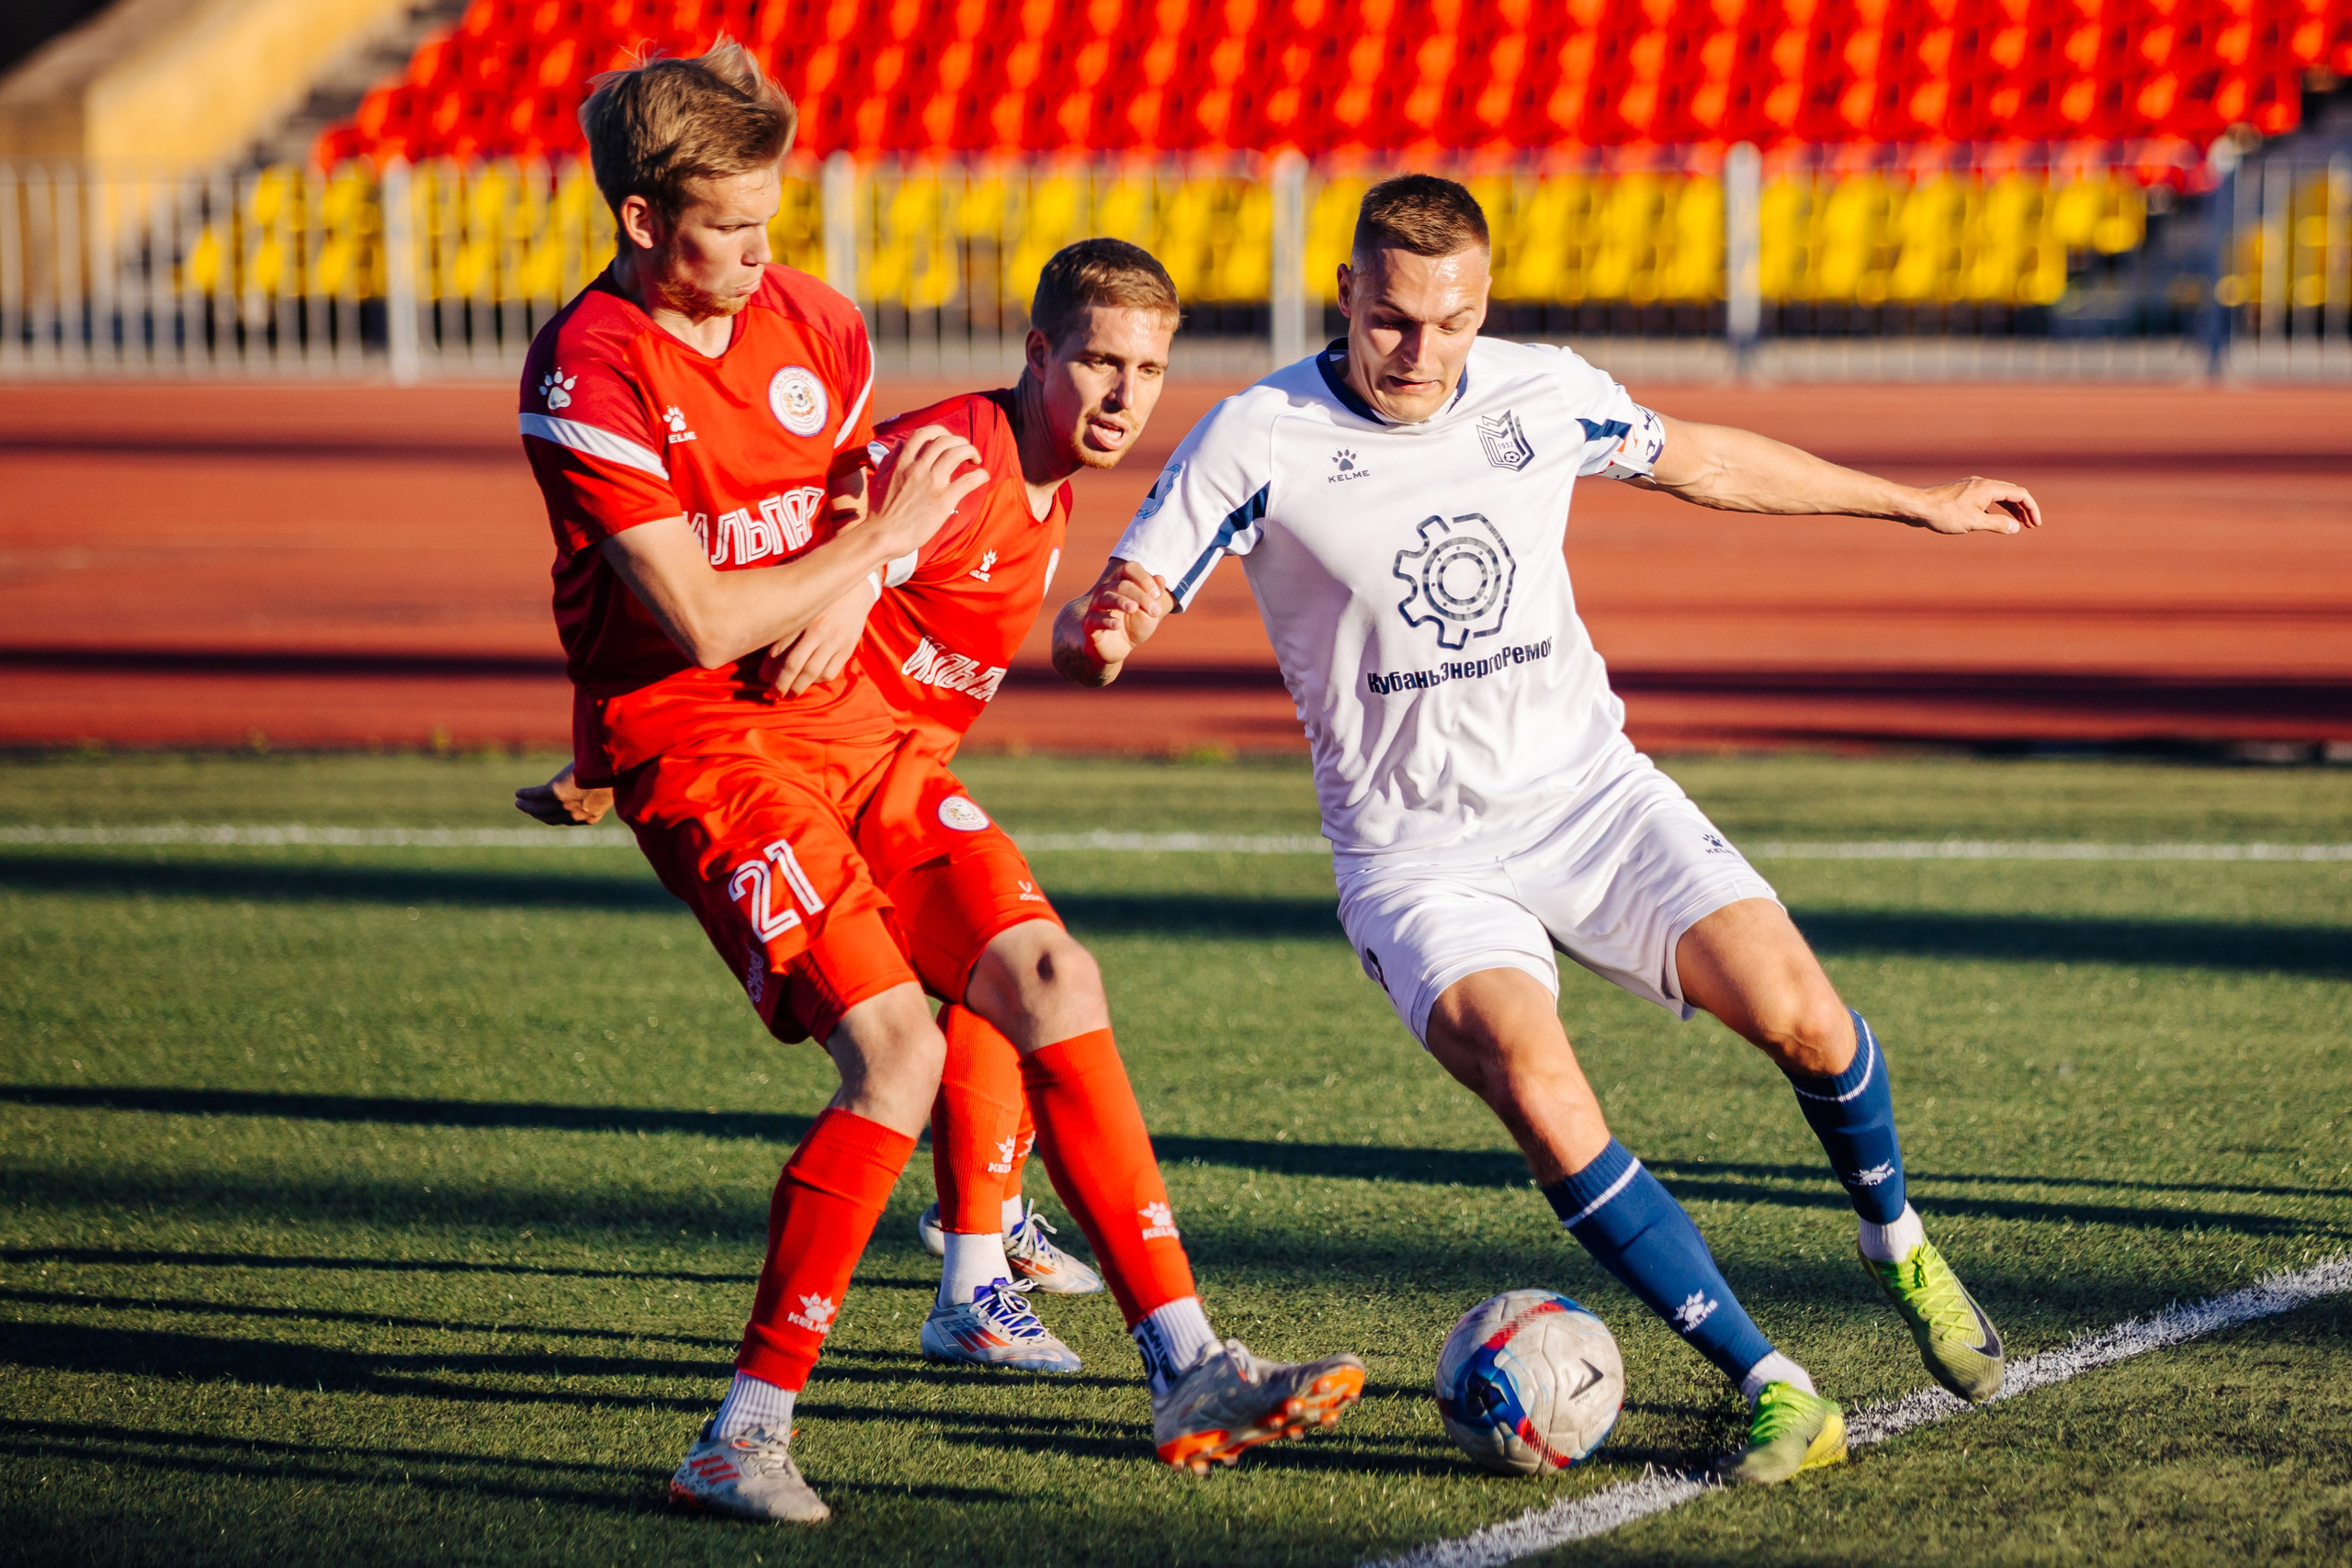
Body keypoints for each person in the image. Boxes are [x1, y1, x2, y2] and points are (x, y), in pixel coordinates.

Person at [1053, 174, 2032, 1486]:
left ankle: (1897, 1240)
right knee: (1539, 1083)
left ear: (1485, 307)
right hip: (1418, 862)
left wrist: (1915, 502)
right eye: (1393, 320)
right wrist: (1104, 630)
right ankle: (1772, 1385)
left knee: (1806, 1016)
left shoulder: (1540, 388)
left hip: (1592, 797)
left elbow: (1709, 461)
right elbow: (1137, 581)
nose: (1421, 354)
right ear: (1346, 293)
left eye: (1450, 325)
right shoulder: (1258, 436)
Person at [517, 48, 1363, 1519]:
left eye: (773, 219)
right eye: (729, 228)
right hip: (707, 744)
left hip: (859, 731)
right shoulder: (585, 372)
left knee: (1049, 973)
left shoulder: (817, 322)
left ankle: (1187, 1364)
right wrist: (862, 555)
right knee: (899, 1055)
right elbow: (708, 623)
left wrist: (852, 567)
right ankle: (746, 1434)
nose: (762, 256)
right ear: (645, 222)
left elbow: (842, 528)